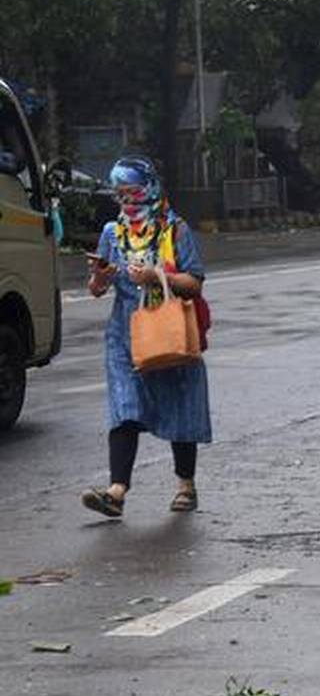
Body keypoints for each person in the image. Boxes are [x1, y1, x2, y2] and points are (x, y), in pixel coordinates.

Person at [82, 156, 211, 518]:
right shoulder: (112, 233)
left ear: (150, 188)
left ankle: (186, 484)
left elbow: (195, 282)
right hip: (125, 335)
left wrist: (156, 275)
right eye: (119, 193)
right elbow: (96, 289)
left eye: (133, 191)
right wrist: (100, 276)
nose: (127, 200)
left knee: (178, 404)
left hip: (169, 328)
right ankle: (116, 492)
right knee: (124, 408)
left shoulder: (175, 230)